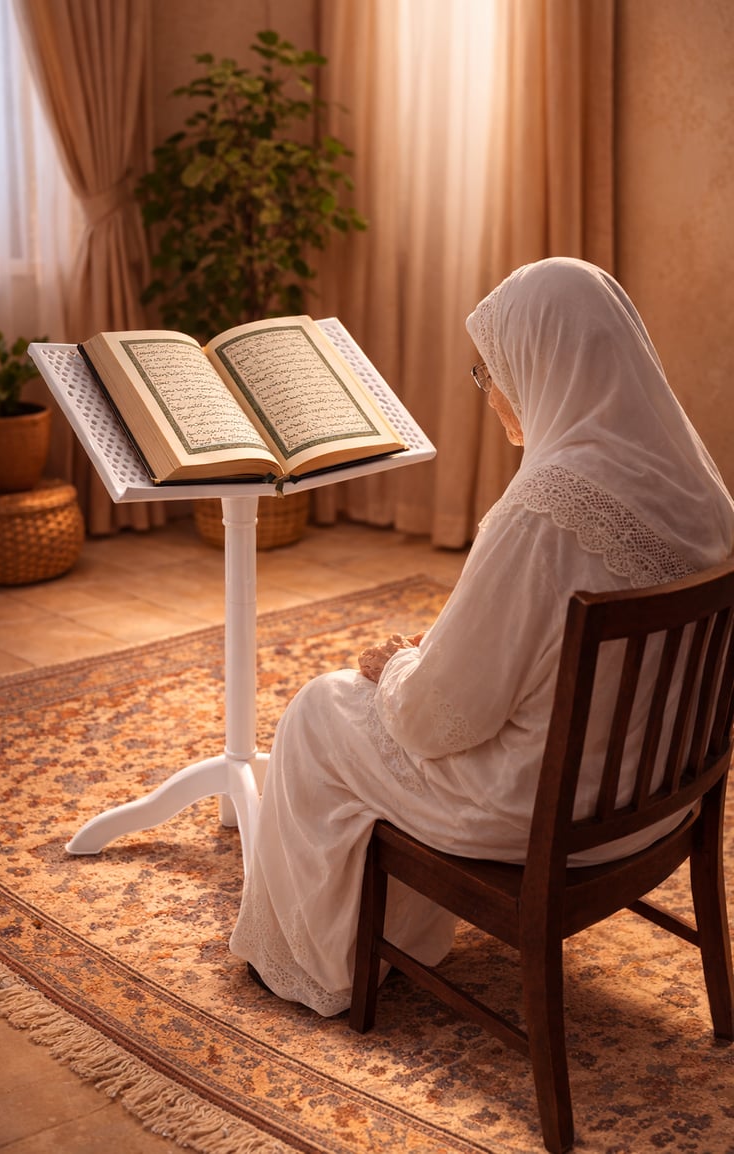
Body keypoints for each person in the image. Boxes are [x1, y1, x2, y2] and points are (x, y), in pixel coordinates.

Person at [230, 257, 734, 1016]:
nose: (491, 391)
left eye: (490, 370)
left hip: (543, 814)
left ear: (543, 361)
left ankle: (322, 968)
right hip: (656, 801)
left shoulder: (546, 509)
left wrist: (396, 665)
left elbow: (440, 717)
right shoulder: (701, 491)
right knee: (373, 699)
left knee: (320, 708)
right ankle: (380, 936)